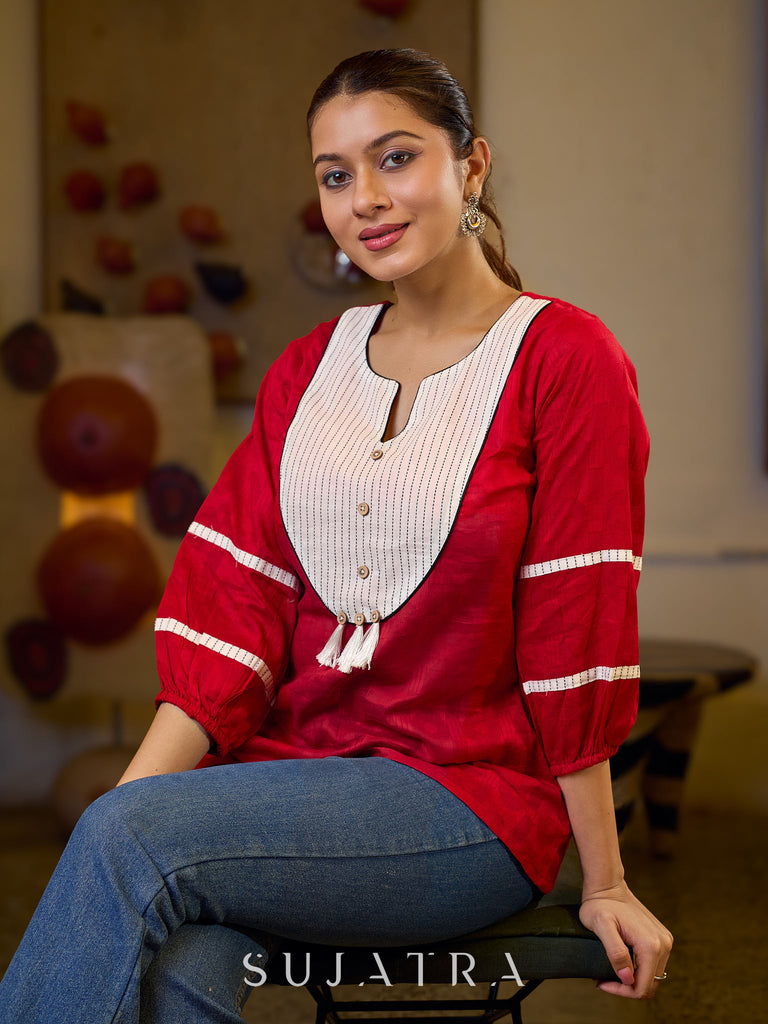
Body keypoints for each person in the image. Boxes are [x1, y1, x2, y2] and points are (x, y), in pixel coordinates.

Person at [0, 48, 672, 1022]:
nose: (366, 198)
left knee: (130, 843)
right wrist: (128, 810)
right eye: (335, 174)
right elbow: (233, 619)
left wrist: (604, 880)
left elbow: (580, 624)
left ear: (471, 166)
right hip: (297, 774)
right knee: (184, 958)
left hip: (467, 804)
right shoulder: (307, 371)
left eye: (396, 158)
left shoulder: (567, 361)